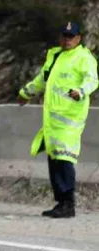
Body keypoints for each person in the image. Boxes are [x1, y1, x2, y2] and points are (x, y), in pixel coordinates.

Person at [18, 21, 99, 218]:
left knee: (65, 159)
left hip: (70, 119)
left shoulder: (84, 57)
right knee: (55, 159)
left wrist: (80, 91)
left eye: (71, 36)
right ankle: (61, 202)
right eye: (64, 35)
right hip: (52, 121)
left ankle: (68, 203)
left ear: (79, 38)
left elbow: (92, 80)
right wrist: (26, 93)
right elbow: (42, 79)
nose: (67, 40)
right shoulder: (54, 55)